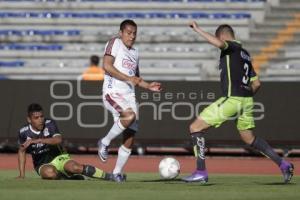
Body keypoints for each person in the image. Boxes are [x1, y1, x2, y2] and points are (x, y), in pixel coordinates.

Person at [182, 22, 294, 184]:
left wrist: (197, 29)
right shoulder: (245, 54)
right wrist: (245, 97)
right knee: (250, 140)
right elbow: (257, 84)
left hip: (233, 98)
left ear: (222, 36)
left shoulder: (231, 47)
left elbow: (219, 43)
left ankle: (200, 172)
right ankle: (284, 165)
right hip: (247, 100)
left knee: (195, 127)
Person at [97, 19, 162, 182]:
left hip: (129, 96)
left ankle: (117, 172)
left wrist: (148, 86)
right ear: (121, 33)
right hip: (113, 92)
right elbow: (107, 65)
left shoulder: (135, 52)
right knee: (129, 116)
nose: (132, 36)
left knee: (130, 136)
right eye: (128, 32)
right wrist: (128, 78)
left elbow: (136, 78)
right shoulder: (115, 43)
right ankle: (104, 142)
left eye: (134, 33)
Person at [17, 103, 111, 180]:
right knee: (50, 174)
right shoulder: (23, 132)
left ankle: (109, 176)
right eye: (36, 118)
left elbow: (58, 140)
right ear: (29, 119)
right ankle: (69, 178)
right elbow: (21, 151)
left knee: (76, 167)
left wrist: (38, 140)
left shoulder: (49, 123)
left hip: (59, 157)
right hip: (41, 164)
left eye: (41, 116)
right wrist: (22, 175)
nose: (40, 120)